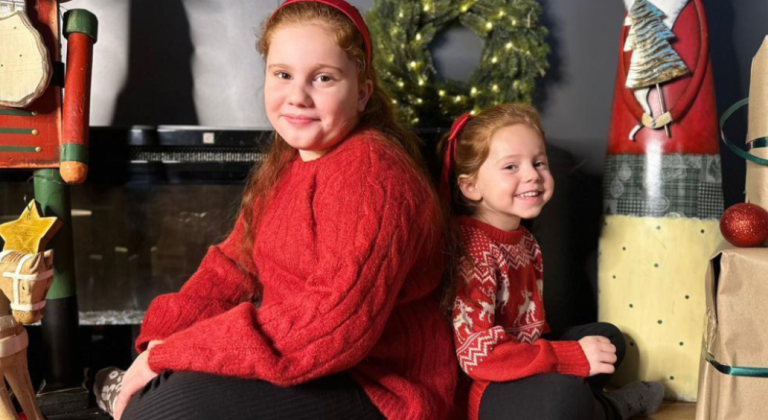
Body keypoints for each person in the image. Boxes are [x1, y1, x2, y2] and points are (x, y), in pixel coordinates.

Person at [100, 1, 457, 419]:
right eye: (283, 74)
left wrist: (170, 355)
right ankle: (133, 392)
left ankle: (128, 395)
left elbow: (332, 327)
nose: (298, 97)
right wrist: (164, 338)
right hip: (304, 360)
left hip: (376, 386)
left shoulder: (372, 172)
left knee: (166, 407)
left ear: (362, 93)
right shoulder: (287, 162)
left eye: (323, 78)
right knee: (159, 373)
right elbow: (232, 267)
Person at [439, 104, 664, 420]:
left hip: (523, 360)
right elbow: (479, 357)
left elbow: (534, 329)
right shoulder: (474, 252)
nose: (532, 175)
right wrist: (568, 357)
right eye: (510, 167)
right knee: (564, 396)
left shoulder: (524, 240)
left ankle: (582, 405)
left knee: (609, 339)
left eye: (539, 163)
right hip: (484, 386)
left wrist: (570, 354)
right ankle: (610, 409)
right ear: (470, 186)